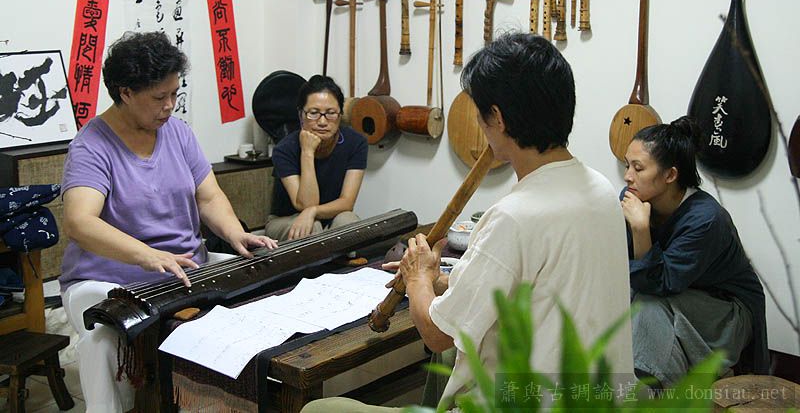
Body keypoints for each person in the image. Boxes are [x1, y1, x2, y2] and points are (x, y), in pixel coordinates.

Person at [301, 33, 633, 412]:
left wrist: (417, 279)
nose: (479, 124)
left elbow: (437, 334)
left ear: (498, 119)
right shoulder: (601, 189)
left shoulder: (514, 217)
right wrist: (438, 279)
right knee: (449, 364)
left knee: (319, 410)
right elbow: (528, 287)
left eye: (479, 114)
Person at [58, 31, 278, 413]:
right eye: (160, 97)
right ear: (126, 93)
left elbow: (209, 197)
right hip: (106, 281)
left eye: (175, 94)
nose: (170, 106)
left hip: (183, 268)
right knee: (102, 340)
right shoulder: (92, 146)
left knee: (256, 290)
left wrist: (236, 233)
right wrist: (147, 256)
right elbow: (80, 222)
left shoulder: (177, 133)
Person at [621, 116, 768, 388]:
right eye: (627, 165)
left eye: (638, 168)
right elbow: (625, 267)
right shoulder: (635, 199)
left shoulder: (706, 219)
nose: (628, 176)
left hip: (725, 312)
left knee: (648, 305)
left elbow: (658, 285)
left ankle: (654, 391)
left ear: (670, 175)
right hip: (675, 296)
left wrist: (641, 230)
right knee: (620, 295)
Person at [265, 74, 368, 241]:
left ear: (340, 115)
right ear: (301, 115)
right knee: (312, 227)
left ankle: (339, 258)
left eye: (331, 113)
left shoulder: (356, 143)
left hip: (331, 215)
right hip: (286, 219)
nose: (322, 122)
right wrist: (307, 152)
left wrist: (313, 211)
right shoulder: (284, 149)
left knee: (348, 220)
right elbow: (305, 204)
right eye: (313, 113)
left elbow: (347, 202)